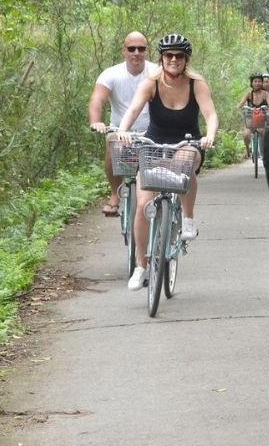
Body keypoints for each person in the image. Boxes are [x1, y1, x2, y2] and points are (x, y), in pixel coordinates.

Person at [117, 33, 219, 291]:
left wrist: (210, 136)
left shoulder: (197, 84)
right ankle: (140, 266)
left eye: (179, 56)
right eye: (169, 55)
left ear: (186, 59)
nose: (174, 60)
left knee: (184, 164)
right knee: (142, 205)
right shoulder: (151, 83)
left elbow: (210, 114)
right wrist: (123, 129)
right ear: (162, 59)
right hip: (154, 143)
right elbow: (133, 109)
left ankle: (187, 219)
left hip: (186, 142)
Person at [89, 32, 159, 217]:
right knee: (112, 146)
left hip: (151, 131)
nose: (136, 53)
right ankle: (114, 194)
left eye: (141, 49)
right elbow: (97, 98)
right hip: (121, 131)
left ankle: (160, 200)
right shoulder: (111, 74)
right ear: (124, 51)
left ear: (146, 51)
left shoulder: (157, 72)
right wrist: (96, 121)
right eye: (131, 49)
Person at [236, 72, 269, 158]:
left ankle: (265, 150)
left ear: (261, 82)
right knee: (246, 134)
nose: (257, 83)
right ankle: (247, 148)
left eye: (259, 81)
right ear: (252, 83)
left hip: (262, 118)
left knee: (263, 131)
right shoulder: (248, 94)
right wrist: (239, 106)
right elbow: (241, 103)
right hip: (250, 118)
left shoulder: (265, 94)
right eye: (255, 81)